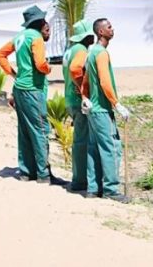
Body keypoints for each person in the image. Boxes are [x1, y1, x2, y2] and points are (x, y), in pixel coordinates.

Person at [0, 5, 52, 182]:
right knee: (41, 130)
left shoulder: (19, 37)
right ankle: (43, 174)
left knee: (25, 131)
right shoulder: (35, 38)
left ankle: (27, 171)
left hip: (19, 89)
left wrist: (13, 73)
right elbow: (40, 63)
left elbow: (0, 55)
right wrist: (47, 68)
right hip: (32, 90)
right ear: (40, 23)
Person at [82, 18, 131, 200]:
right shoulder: (101, 53)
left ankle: (93, 188)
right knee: (111, 147)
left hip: (92, 109)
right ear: (101, 32)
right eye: (109, 27)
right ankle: (111, 189)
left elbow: (85, 79)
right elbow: (104, 81)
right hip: (102, 109)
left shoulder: (91, 52)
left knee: (94, 148)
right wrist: (116, 104)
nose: (113, 29)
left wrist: (84, 97)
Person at [62, 20, 94, 194]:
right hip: (77, 101)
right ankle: (80, 180)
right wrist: (83, 89)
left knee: (79, 139)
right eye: (91, 35)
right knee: (82, 141)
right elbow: (75, 69)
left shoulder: (69, 51)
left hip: (69, 100)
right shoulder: (81, 50)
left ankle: (79, 178)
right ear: (87, 36)